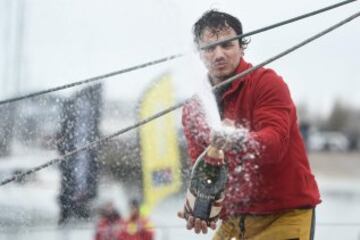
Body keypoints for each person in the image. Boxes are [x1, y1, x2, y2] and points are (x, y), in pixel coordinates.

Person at [178, 10, 321, 240]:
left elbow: (274, 146)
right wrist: (200, 206)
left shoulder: (267, 83)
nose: (218, 54)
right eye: (209, 48)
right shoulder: (194, 108)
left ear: (241, 46)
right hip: (235, 220)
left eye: (227, 45)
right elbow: (203, 167)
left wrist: (238, 139)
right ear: (199, 54)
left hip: (284, 216)